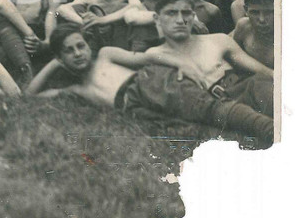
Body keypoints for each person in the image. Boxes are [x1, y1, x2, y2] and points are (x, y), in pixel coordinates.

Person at [26, 20, 272, 146]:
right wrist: (53, 64)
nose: (78, 53)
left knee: (205, 108)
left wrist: (181, 64)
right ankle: (249, 124)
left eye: (81, 46)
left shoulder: (105, 55)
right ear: (60, 57)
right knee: (193, 128)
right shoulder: (75, 90)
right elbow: (28, 97)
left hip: (148, 84)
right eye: (69, 52)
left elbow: (147, 57)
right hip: (134, 109)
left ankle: (265, 127)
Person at [231, 0, 274, 69]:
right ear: (246, 10)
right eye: (255, 12)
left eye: (269, 12)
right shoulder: (243, 26)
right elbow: (232, 56)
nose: (262, 19)